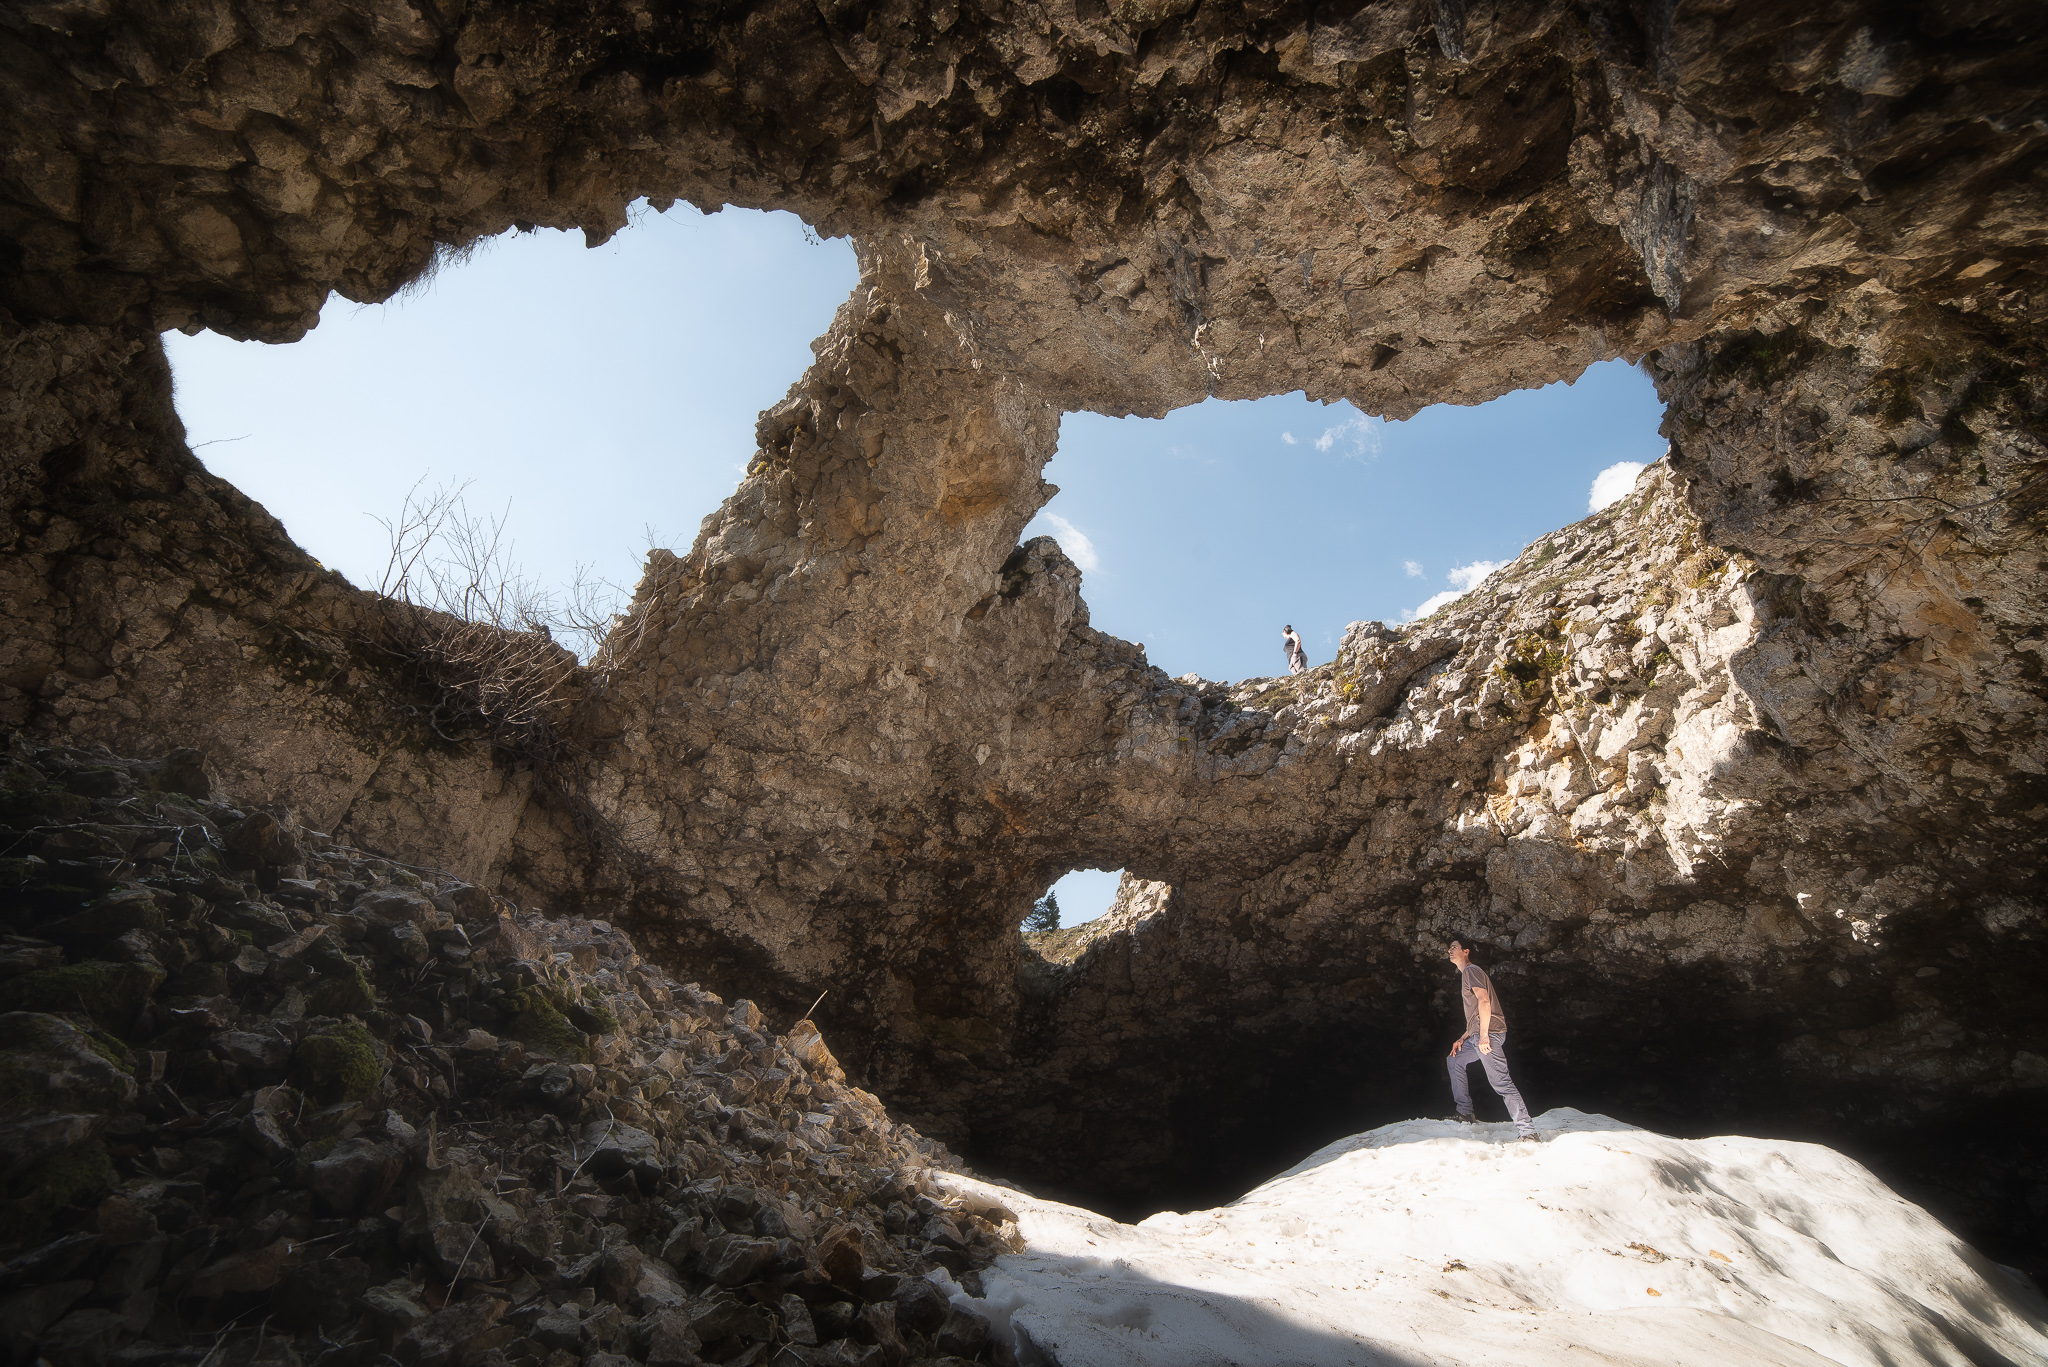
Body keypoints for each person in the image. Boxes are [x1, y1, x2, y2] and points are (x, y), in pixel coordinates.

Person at [1443, 936, 1538, 1141]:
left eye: (1454, 947)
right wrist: (1462, 1038)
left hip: (1488, 1034)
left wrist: (1484, 1037)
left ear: (1466, 951)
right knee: (1455, 1059)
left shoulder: (1471, 970)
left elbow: (1484, 1001)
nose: (1449, 951)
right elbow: (1476, 1014)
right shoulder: (1467, 974)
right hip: (1478, 1034)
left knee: (1501, 1083)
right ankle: (1465, 1113)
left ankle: (1528, 1132)